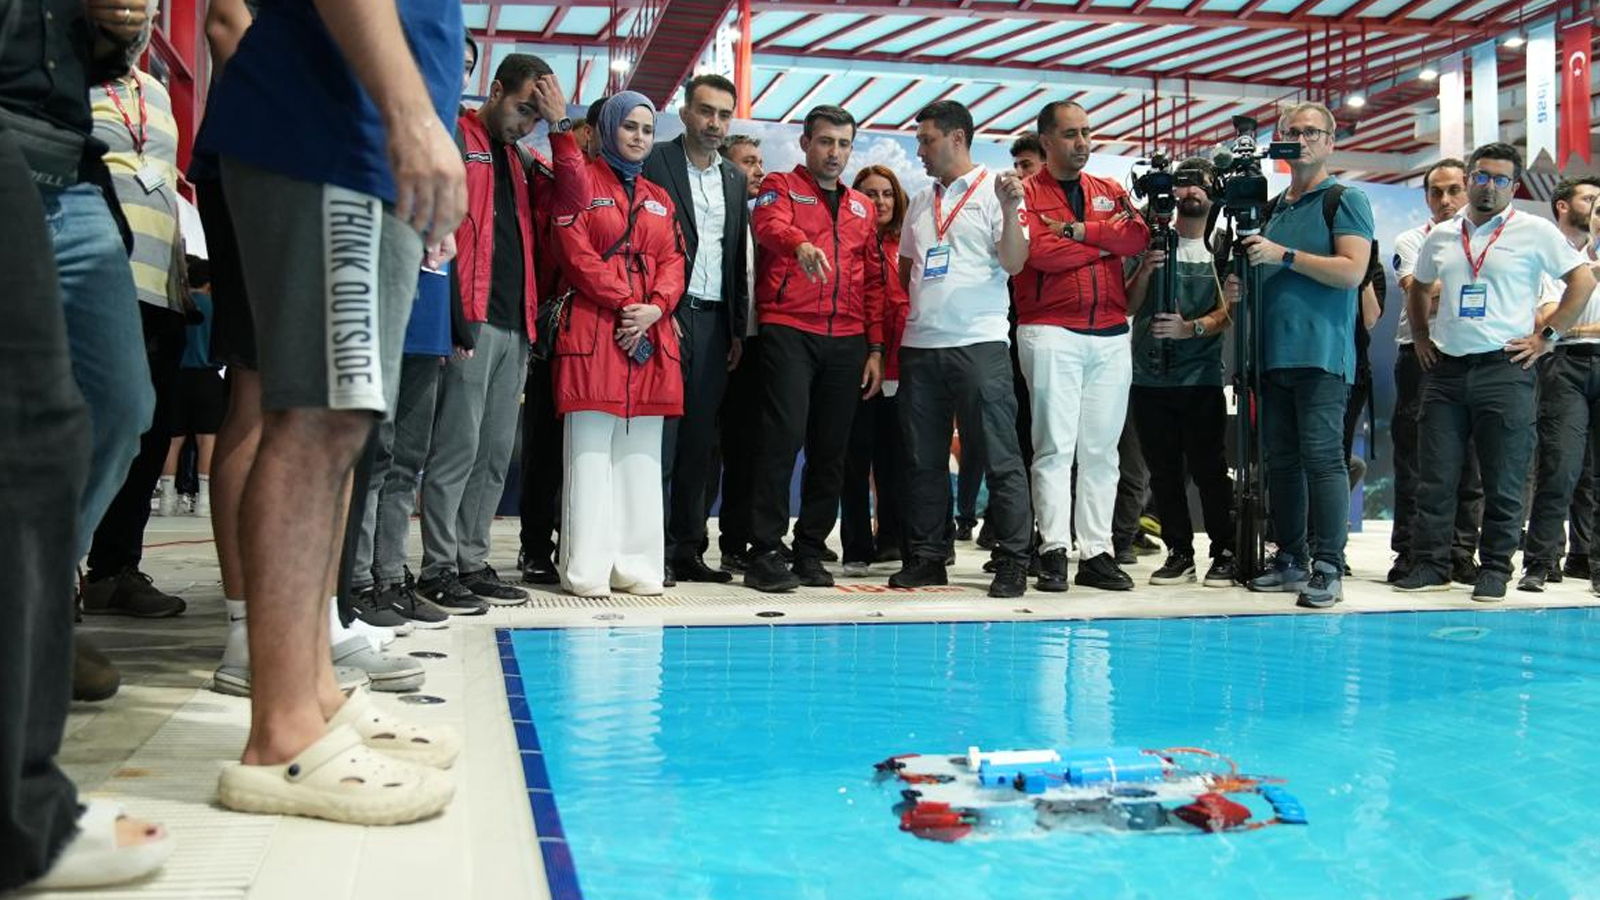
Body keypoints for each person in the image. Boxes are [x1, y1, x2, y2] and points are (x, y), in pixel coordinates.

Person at [195, 0, 466, 822]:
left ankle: (313, 693)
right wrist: (412, 116)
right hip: (335, 132)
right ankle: (280, 737)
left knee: (338, 425)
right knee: (317, 418)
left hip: (355, 136)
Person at [1395, 142, 1596, 602]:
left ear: (1514, 185)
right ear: (1469, 178)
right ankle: (1431, 563)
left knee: (1503, 478)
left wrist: (1549, 336)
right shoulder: (1442, 235)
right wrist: (1422, 337)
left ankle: (1495, 568)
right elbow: (1419, 286)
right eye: (1482, 176)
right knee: (1436, 475)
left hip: (1504, 369)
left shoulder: (1534, 232)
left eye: (1501, 179)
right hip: (1445, 371)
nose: (1489, 186)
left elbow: (1581, 280)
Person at [413, 54, 570, 611]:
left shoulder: (525, 161)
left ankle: (471, 560)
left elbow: (571, 198)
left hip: (515, 322)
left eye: (537, 115)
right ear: (496, 89)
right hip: (470, 316)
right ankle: (437, 567)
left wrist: (561, 126)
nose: (527, 122)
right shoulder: (459, 136)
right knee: (457, 447)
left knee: (496, 453)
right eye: (524, 109)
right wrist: (445, 314)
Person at [886, 100, 1032, 597]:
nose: (919, 149)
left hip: (980, 341)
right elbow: (907, 269)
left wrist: (1012, 212)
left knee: (998, 453)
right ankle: (928, 555)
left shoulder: (999, 191)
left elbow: (1014, 263)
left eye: (926, 140)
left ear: (956, 139)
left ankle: (1013, 558)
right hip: (921, 344)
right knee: (922, 457)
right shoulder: (922, 201)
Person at [1234, 101, 1373, 609]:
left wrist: (1283, 255)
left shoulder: (1345, 199)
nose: (1302, 139)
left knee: (1323, 460)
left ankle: (1328, 564)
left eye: (1312, 132)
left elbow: (1352, 272)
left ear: (1330, 142)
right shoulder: (1273, 208)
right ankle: (1290, 558)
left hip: (1322, 355)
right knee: (1283, 464)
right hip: (1271, 356)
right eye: (1293, 131)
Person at [546, 92, 685, 596]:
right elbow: (574, 252)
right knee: (588, 454)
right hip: (594, 330)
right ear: (607, 128)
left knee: (642, 458)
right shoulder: (580, 184)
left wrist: (657, 307)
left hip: (649, 334)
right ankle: (586, 568)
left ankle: (638, 566)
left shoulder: (660, 197)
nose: (639, 137)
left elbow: (674, 261)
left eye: (647, 129)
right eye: (629, 126)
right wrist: (630, 301)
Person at [744, 105, 884, 592]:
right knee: (781, 440)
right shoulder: (779, 186)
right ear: (806, 143)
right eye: (826, 141)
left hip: (847, 340)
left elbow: (872, 282)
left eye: (844, 144)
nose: (835, 152)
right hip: (789, 328)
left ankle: (809, 549)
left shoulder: (861, 208)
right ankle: (763, 549)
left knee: (832, 450)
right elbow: (767, 227)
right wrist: (799, 243)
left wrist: (876, 348)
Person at [1014, 100, 1150, 593]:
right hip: (1051, 329)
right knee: (1054, 447)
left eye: (1087, 133)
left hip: (1112, 333)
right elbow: (1038, 253)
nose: (1082, 143)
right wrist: (1104, 243)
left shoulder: (1109, 189)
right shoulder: (1024, 193)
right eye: (1071, 134)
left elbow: (1137, 237)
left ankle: (1097, 552)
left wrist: (1080, 232)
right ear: (1046, 141)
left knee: (1102, 451)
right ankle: (1052, 549)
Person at [79, 41, 192, 619]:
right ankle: (58, 568)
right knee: (88, 428)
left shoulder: (155, 92)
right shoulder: (70, 77)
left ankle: (114, 568)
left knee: (148, 434)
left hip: (163, 285)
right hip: (97, 274)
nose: (136, 15)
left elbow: (164, 181)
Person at [644, 74, 751, 586]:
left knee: (700, 443)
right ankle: (651, 548)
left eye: (724, 114)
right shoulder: (656, 162)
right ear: (685, 113)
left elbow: (734, 258)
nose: (715, 123)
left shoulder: (733, 177)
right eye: (706, 112)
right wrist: (656, 310)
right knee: (661, 439)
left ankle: (687, 548)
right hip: (666, 314)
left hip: (714, 323)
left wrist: (735, 328)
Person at [1123, 157, 1237, 586]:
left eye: (1199, 186)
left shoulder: (1224, 249)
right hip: (1149, 378)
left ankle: (1224, 550)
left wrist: (1193, 329)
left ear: (1214, 194)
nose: (1190, 193)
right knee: (1164, 471)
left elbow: (1230, 314)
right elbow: (1129, 307)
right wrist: (1147, 273)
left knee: (1210, 469)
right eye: (1182, 185)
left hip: (1202, 379)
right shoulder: (1150, 244)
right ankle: (1178, 552)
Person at [1387, 158, 1483, 585]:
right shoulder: (1412, 240)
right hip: (1419, 355)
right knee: (1414, 460)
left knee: (1470, 463)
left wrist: (1442, 287)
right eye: (1435, 192)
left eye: (1453, 190)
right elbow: (1416, 291)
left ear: (1468, 190)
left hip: (1473, 354)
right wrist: (1470, 285)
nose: (1445, 200)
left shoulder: (1489, 241)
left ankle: (1461, 552)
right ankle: (1410, 550)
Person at [1518, 175, 1600, 592]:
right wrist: (1569, 327)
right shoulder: (1561, 261)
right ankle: (1539, 561)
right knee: (1559, 465)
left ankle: (1592, 563)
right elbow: (1548, 318)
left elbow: (1567, 321)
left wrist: (1579, 325)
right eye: (1595, 204)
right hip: (1564, 365)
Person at [840, 164, 911, 577]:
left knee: (895, 459)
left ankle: (893, 539)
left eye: (886, 193)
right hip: (860, 363)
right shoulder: (848, 240)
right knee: (854, 457)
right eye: (870, 193)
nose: (880, 201)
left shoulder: (908, 244)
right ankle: (856, 546)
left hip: (904, 366)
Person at [715, 133, 766, 572]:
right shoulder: (715, 217)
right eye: (749, 161)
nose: (759, 169)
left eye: (760, 161)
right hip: (714, 341)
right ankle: (683, 542)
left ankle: (736, 543)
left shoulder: (756, 220)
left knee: (747, 452)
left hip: (753, 348)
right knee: (701, 451)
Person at [161, 256, 227, 519]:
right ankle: (204, 500)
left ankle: (167, 499)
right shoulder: (215, 308)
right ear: (210, 283)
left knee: (173, 440)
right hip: (207, 378)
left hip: (177, 376)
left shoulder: (179, 304)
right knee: (206, 440)